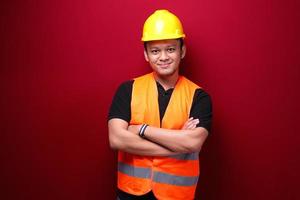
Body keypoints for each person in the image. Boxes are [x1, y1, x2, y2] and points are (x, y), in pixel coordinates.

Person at [108, 9, 212, 200]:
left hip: (177, 195)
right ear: (146, 54)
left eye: (170, 49)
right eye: (155, 51)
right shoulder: (128, 89)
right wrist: (178, 144)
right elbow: (117, 139)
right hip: (130, 193)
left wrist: (140, 129)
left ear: (183, 50)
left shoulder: (199, 96)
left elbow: (193, 142)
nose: (163, 57)